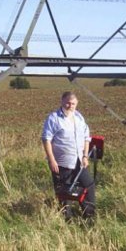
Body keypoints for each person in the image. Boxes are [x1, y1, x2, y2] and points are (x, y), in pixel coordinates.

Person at [41, 91, 95, 221]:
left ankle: (89, 215)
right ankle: (67, 220)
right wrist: (52, 160)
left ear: (77, 104)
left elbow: (87, 138)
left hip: (79, 160)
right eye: (68, 103)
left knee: (88, 185)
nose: (70, 105)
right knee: (65, 191)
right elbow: (46, 139)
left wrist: (85, 156)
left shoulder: (79, 117)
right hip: (61, 162)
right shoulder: (53, 118)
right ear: (62, 101)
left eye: (73, 103)